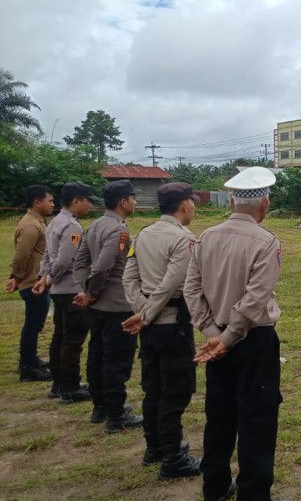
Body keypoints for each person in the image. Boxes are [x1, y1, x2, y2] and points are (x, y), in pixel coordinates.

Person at [184, 167, 292, 501]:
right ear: (266, 202)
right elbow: (255, 300)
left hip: (216, 341)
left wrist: (212, 333)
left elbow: (191, 290)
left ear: (230, 200)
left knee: (220, 415)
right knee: (257, 419)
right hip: (253, 340)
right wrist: (227, 338)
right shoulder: (266, 241)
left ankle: (214, 490)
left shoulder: (205, 237)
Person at [121, 182, 201, 480]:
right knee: (174, 391)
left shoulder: (142, 235)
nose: (194, 206)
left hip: (150, 327)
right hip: (171, 326)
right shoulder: (184, 239)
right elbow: (170, 283)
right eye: (192, 201)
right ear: (184, 205)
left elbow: (129, 279)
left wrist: (141, 313)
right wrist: (149, 314)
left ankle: (153, 448)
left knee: (152, 387)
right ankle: (172, 458)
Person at [73, 180, 143, 433]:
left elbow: (80, 263)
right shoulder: (118, 231)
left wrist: (88, 291)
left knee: (97, 353)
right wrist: (91, 291)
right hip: (117, 304)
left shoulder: (94, 226)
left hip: (99, 305)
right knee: (117, 360)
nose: (135, 202)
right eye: (133, 198)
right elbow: (102, 266)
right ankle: (116, 415)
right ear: (123, 201)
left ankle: (100, 406)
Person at [32, 182, 98, 401]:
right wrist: (50, 278)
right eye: (88, 201)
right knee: (73, 339)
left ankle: (59, 383)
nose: (89, 205)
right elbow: (64, 259)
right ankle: (70, 386)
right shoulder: (72, 227)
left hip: (59, 290)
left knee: (60, 336)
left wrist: (44, 276)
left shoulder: (54, 223)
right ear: (76, 201)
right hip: (71, 289)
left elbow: (47, 257)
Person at [6, 185, 55, 382]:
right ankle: (27, 367)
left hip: (37, 280)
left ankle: (31, 359)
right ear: (37, 202)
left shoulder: (38, 222)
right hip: (33, 282)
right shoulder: (30, 226)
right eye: (49, 200)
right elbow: (21, 256)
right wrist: (16, 278)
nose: (53, 204)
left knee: (35, 324)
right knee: (33, 325)